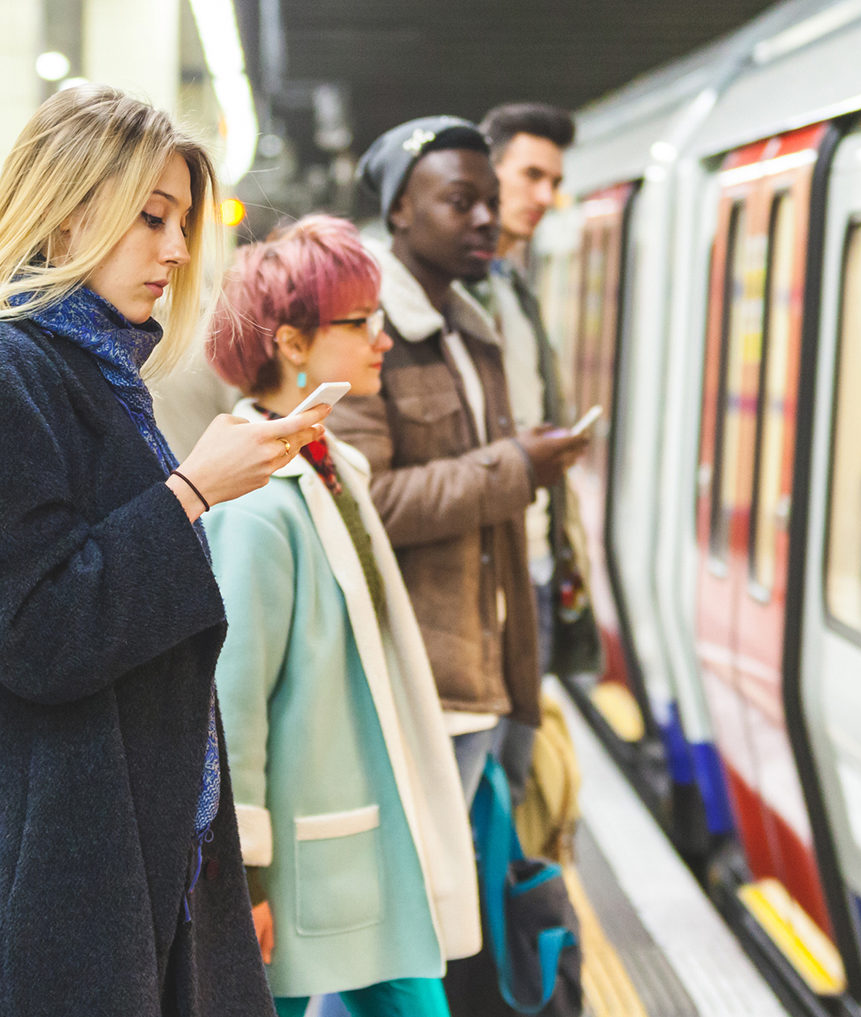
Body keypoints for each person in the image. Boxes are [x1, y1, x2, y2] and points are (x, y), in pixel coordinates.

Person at [0, 85, 331, 1017]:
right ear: (66, 215)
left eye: (182, 222)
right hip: (70, 855)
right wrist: (191, 491)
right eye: (153, 219)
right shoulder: (15, 371)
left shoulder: (103, 369)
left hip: (144, 842)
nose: (178, 251)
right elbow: (37, 631)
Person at [205, 215, 481, 1017]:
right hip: (300, 859)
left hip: (353, 838)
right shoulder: (256, 506)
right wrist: (244, 874)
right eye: (358, 322)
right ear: (291, 344)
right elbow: (233, 700)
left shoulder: (327, 464)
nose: (382, 338)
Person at [330, 116, 588, 806]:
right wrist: (519, 468)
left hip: (487, 670)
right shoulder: (363, 329)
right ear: (400, 210)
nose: (485, 219)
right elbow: (365, 503)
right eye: (459, 201)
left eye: (490, 203)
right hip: (420, 688)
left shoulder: (471, 332)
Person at [468, 103, 601, 803]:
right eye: (531, 175)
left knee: (512, 779)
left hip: (537, 563)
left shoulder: (515, 288)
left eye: (555, 180)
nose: (545, 196)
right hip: (488, 575)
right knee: (485, 782)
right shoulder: (453, 293)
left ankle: (500, 904)